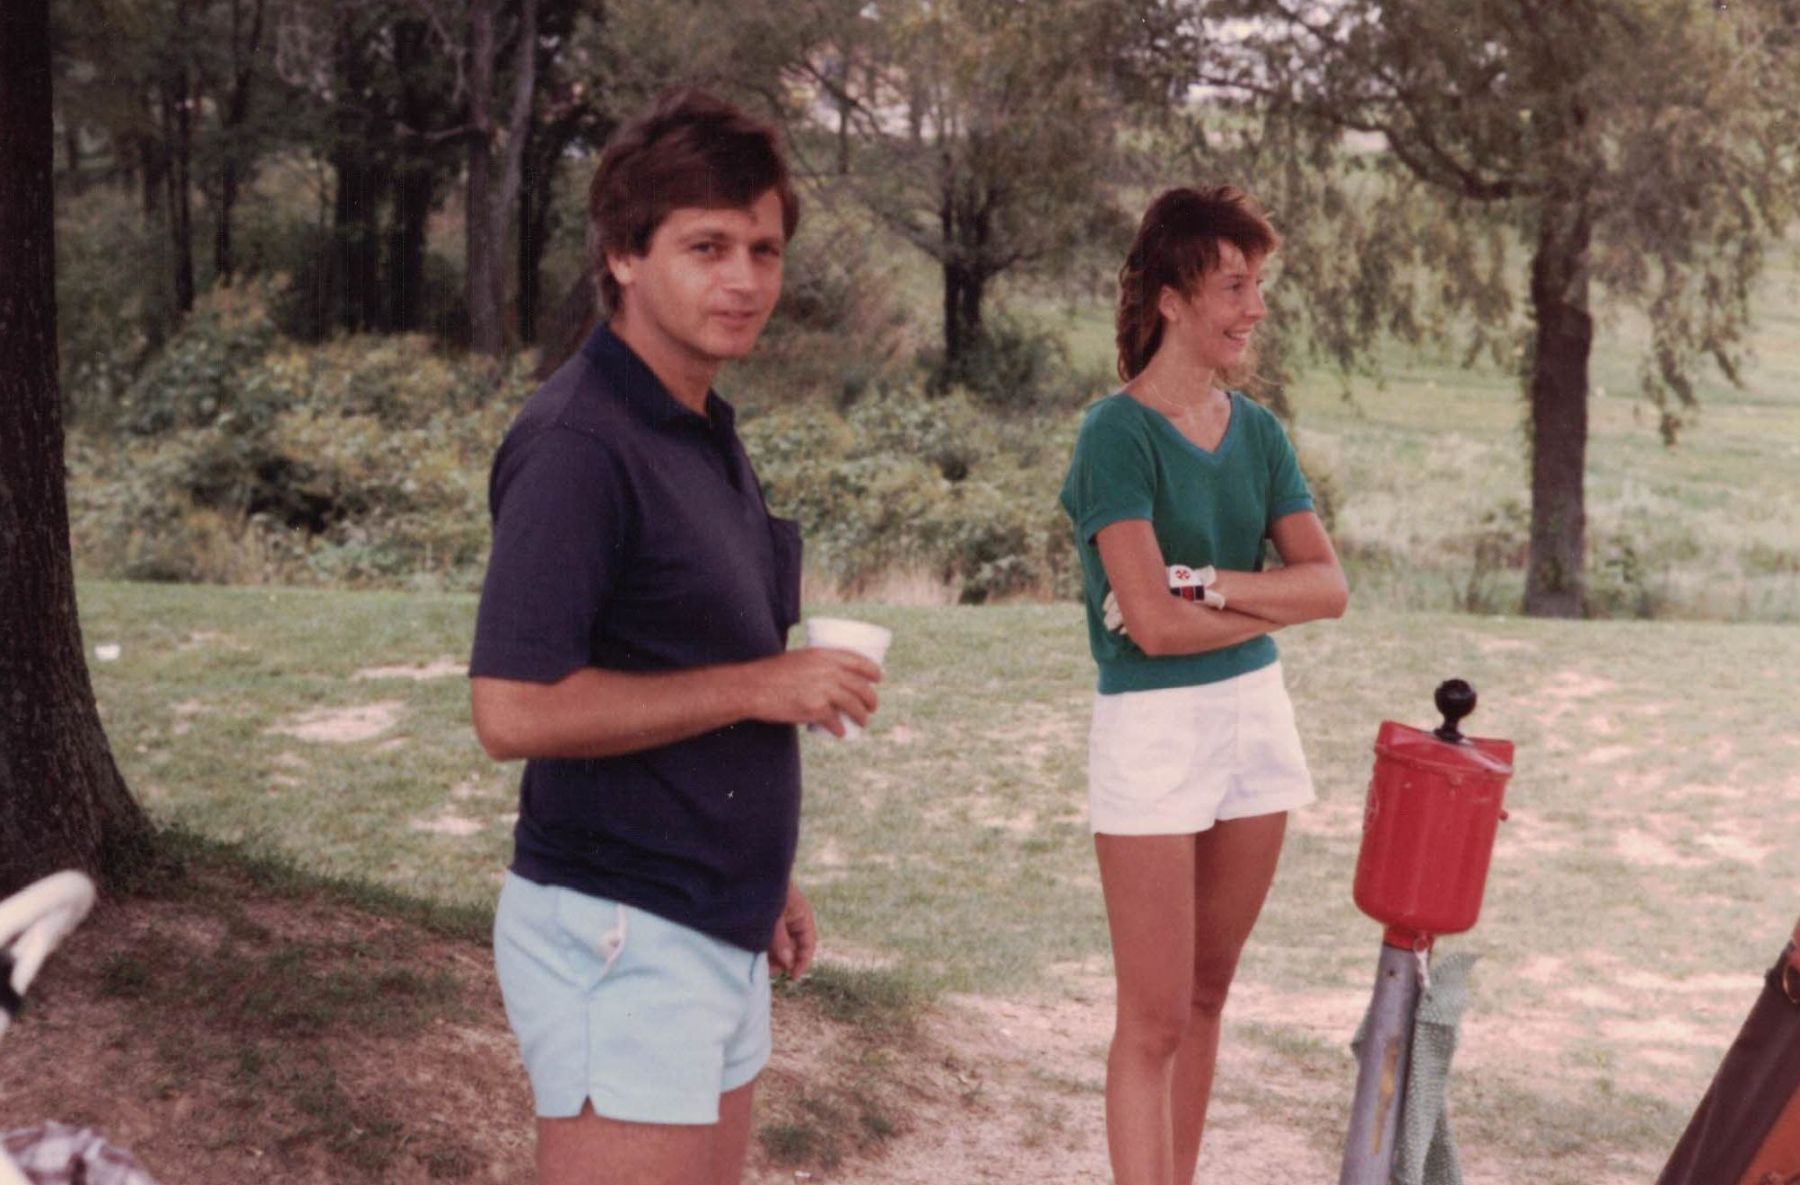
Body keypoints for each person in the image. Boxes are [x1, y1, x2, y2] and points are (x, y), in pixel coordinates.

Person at [467, 89, 882, 1185]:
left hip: (709, 921)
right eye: (706, 247)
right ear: (622, 256)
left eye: (763, 248)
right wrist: (760, 685)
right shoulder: (578, 444)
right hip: (618, 933)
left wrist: (761, 875)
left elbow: (673, 652)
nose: (744, 280)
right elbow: (511, 711)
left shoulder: (697, 424)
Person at [1058, 185, 1348, 1185]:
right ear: (1173, 299)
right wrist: (1259, 603)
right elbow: (1150, 625)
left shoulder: (1258, 434)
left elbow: (1333, 588)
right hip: (1152, 735)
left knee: (1207, 999)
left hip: (1253, 724)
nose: (1255, 307)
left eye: (1258, 284)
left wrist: (1216, 584)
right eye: (1234, 285)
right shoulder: (1115, 437)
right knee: (1150, 1018)